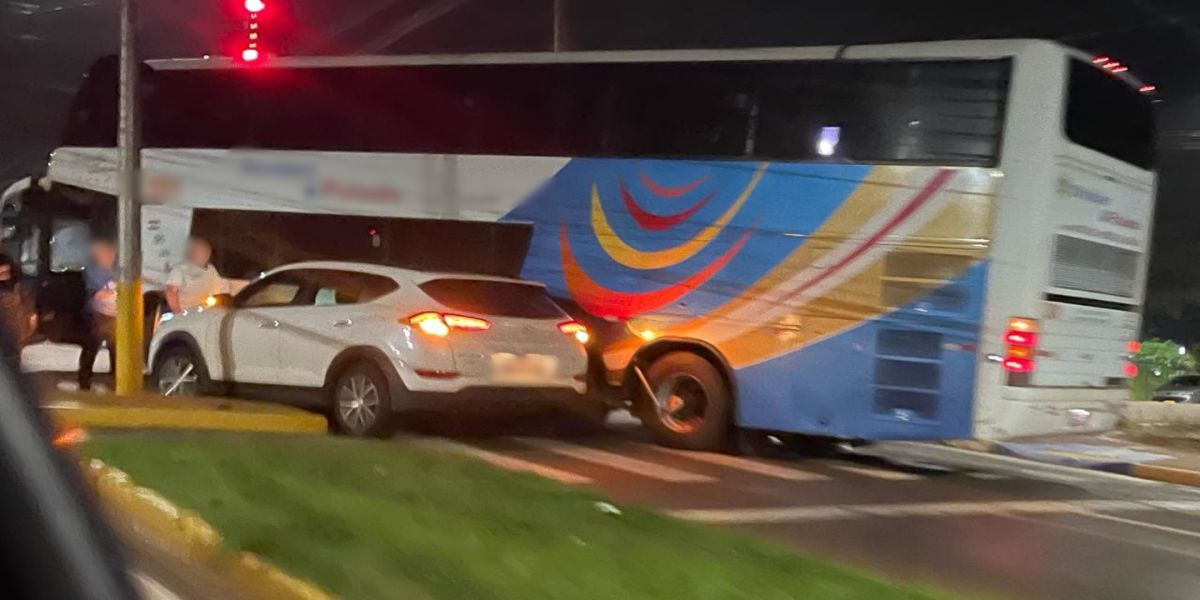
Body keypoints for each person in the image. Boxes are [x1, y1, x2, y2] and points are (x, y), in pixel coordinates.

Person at [78, 239, 117, 391]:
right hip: (98, 312)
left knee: (116, 347)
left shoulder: (119, 270)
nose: (109, 257)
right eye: (105, 254)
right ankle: (84, 380)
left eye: (111, 254)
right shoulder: (93, 270)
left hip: (116, 312)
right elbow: (97, 291)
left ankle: (116, 380)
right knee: (93, 345)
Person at [165, 236, 224, 314]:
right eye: (200, 250)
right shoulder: (181, 269)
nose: (204, 253)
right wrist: (177, 312)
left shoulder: (212, 269)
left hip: (209, 314)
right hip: (188, 314)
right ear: (192, 252)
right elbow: (170, 291)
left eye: (206, 250)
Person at [0, 253, 35, 365]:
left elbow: (29, 309)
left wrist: (29, 327)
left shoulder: (19, 286)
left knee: (12, 360)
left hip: (14, 330)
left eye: (5, 272)